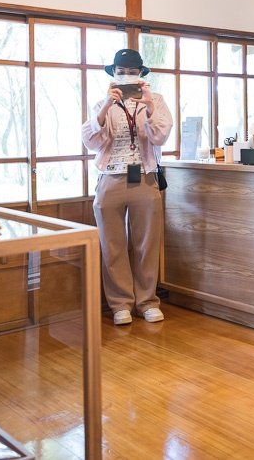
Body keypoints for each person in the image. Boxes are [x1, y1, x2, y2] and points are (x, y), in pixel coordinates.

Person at [82, 48, 174, 325]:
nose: (125, 77)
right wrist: (106, 107)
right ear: (113, 75)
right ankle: (120, 304)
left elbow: (159, 137)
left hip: (143, 177)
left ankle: (147, 301)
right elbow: (91, 141)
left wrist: (149, 106)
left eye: (131, 72)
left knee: (147, 242)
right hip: (110, 177)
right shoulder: (102, 103)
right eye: (120, 73)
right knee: (112, 244)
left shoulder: (155, 99)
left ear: (140, 75)